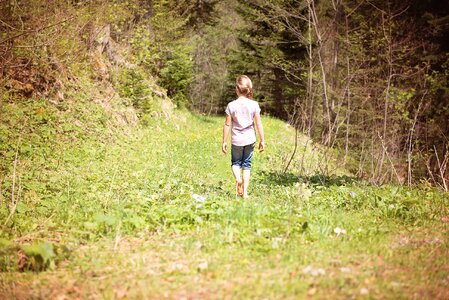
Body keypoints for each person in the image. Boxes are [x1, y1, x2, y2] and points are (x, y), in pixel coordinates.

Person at [222, 75, 265, 198]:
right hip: (250, 139)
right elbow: (258, 123)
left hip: (236, 140)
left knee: (235, 163)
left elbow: (227, 124)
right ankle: (245, 193)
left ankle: (238, 179)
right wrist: (262, 139)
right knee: (247, 165)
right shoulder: (254, 105)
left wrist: (224, 141)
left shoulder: (231, 105)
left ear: (237, 89)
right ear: (248, 90)